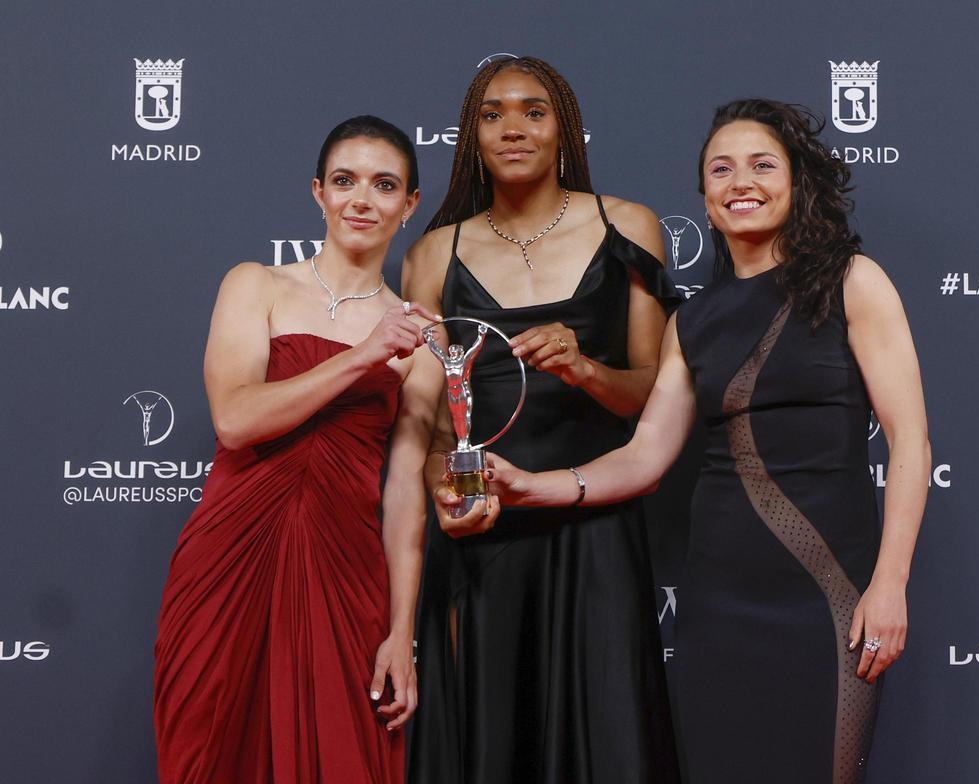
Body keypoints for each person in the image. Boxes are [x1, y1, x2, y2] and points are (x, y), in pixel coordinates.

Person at [484, 99, 931, 784]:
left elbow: (910, 442)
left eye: (762, 165)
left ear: (797, 180)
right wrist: (530, 486)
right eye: (721, 170)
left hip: (827, 601)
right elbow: (644, 457)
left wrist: (890, 583)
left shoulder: (851, 282)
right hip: (717, 607)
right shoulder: (692, 321)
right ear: (704, 197)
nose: (740, 182)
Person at [402, 56, 681, 783]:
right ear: (472, 137)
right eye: (492, 114)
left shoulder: (628, 226)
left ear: (565, 130)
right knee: (494, 740)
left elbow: (651, 395)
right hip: (487, 530)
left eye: (534, 111)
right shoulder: (434, 254)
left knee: (606, 739)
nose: (513, 128)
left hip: (595, 521)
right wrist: (447, 494)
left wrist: (584, 368)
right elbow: (435, 429)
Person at [154, 115, 443, 783]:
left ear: (409, 204)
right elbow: (235, 419)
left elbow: (405, 495)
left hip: (345, 573)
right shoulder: (255, 284)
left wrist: (401, 632)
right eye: (344, 181)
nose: (361, 200)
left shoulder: (425, 341)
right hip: (229, 559)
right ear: (318, 192)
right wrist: (366, 354)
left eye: (384, 185)